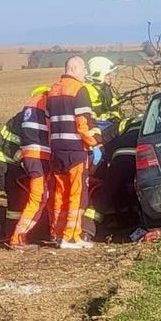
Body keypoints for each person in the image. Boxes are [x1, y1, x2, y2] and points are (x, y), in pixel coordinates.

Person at [46, 57, 103, 249]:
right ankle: (72, 237)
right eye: (84, 68)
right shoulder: (79, 89)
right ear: (74, 68)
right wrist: (95, 144)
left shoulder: (53, 90)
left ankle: (58, 233)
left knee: (59, 193)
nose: (85, 72)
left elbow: (48, 123)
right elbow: (82, 124)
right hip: (75, 151)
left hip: (56, 151)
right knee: (77, 194)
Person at [2, 86, 53, 249]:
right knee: (38, 198)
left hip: (31, 156)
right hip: (40, 157)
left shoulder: (31, 106)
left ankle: (21, 235)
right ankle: (18, 238)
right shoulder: (46, 105)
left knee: (40, 196)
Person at [83, 56, 125, 139]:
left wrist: (116, 119)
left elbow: (114, 107)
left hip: (107, 126)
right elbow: (90, 119)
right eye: (107, 74)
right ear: (98, 75)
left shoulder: (105, 89)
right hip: (98, 132)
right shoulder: (87, 92)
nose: (111, 77)